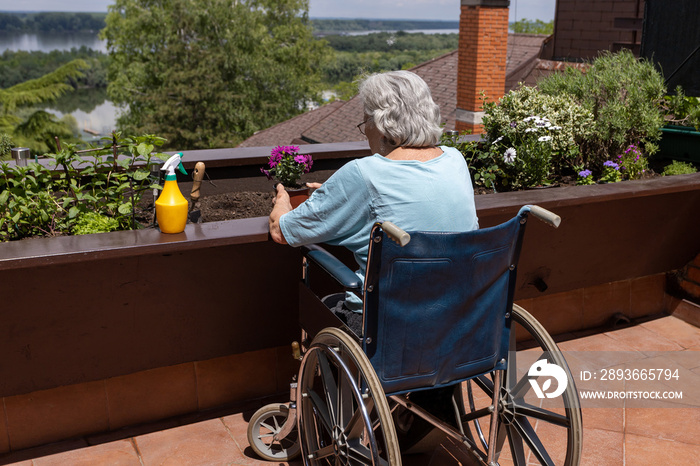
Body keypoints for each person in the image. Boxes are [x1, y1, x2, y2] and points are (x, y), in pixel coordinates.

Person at [269, 70, 479, 328]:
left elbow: (282, 231)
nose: (364, 131)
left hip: (389, 325)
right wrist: (339, 195)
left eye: (365, 122)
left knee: (323, 305)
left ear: (381, 125)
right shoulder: (455, 160)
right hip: (457, 316)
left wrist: (282, 201)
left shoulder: (364, 173)